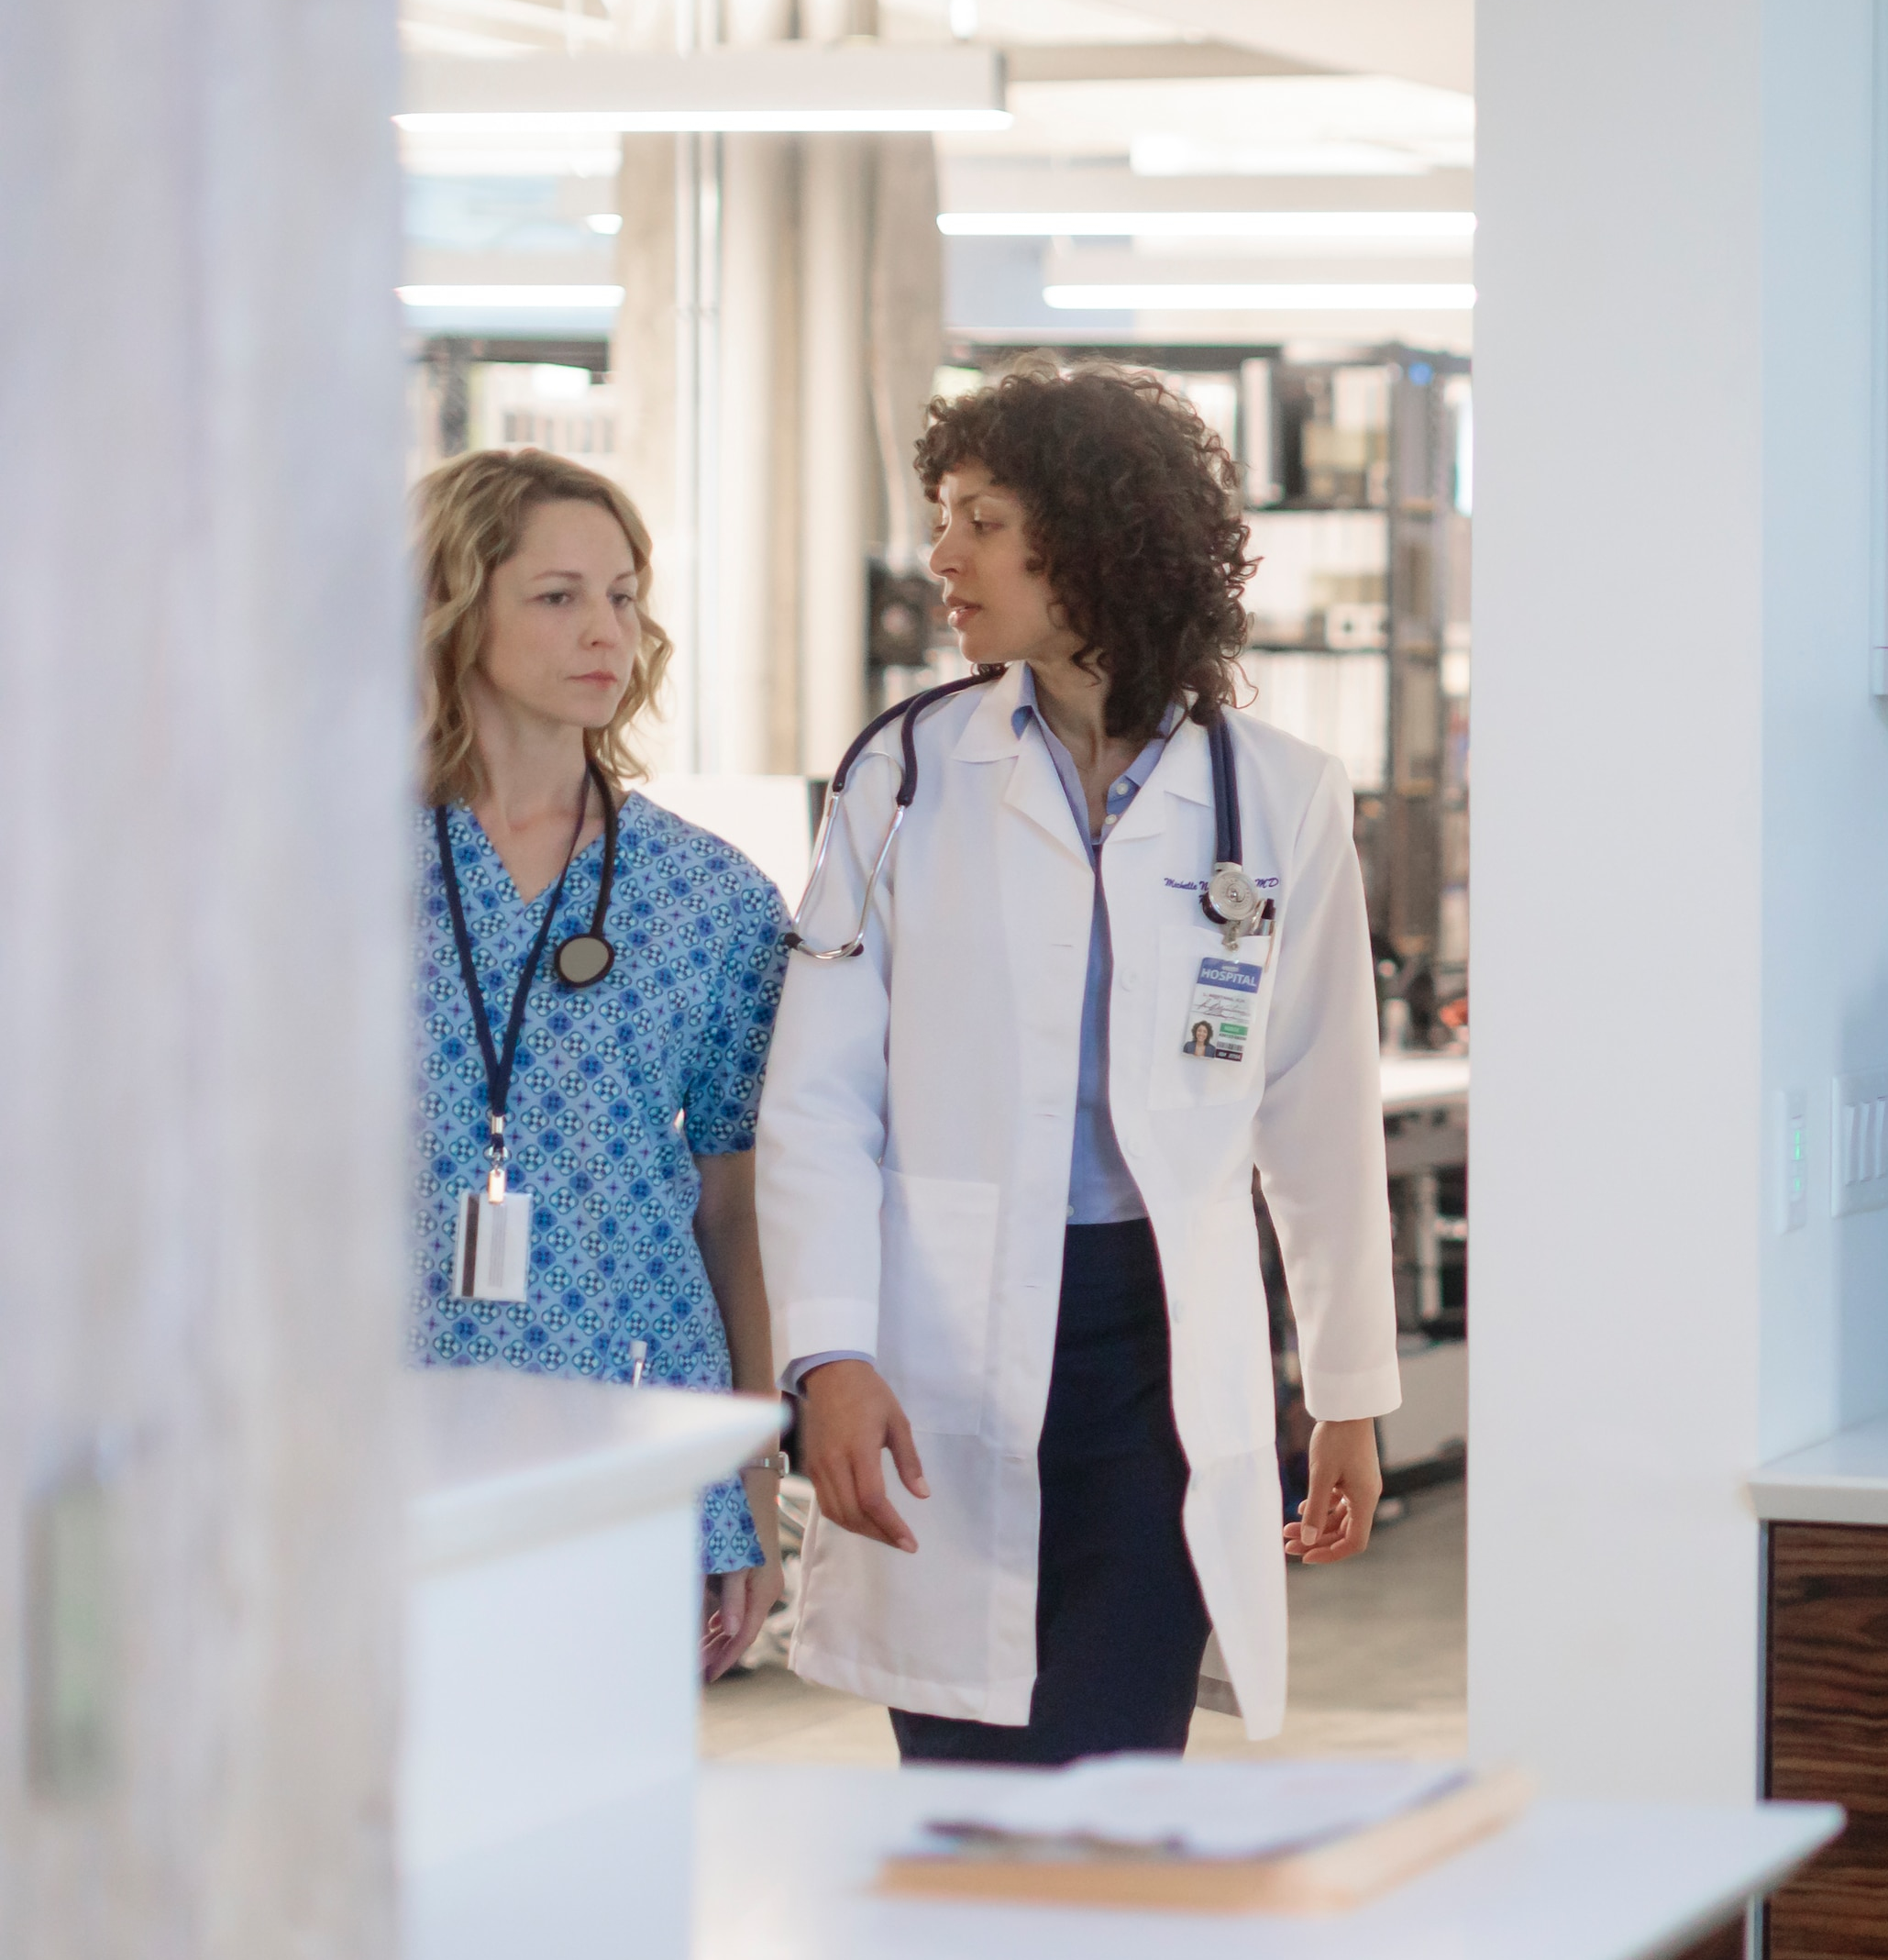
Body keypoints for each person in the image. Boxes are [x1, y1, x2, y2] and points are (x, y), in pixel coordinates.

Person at [760, 360, 1397, 1763]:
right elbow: (816, 1097)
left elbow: (1317, 1108)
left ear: (1100, 534)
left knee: (1116, 1777)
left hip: (1157, 1356)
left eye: (984, 521)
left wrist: (1348, 1389)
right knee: (960, 1779)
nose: (943, 557)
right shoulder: (902, 777)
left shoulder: (1278, 794)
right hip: (945, 1336)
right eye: (945, 517)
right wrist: (829, 1351)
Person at [410, 448, 794, 1678]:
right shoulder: (323, 868)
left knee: (594, 1783)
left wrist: (750, 1471)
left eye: (624, 596)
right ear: (454, 607)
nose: (606, 632)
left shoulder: (713, 899)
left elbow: (739, 1209)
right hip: (377, 1433)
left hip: (634, 1426)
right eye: (558, 595)